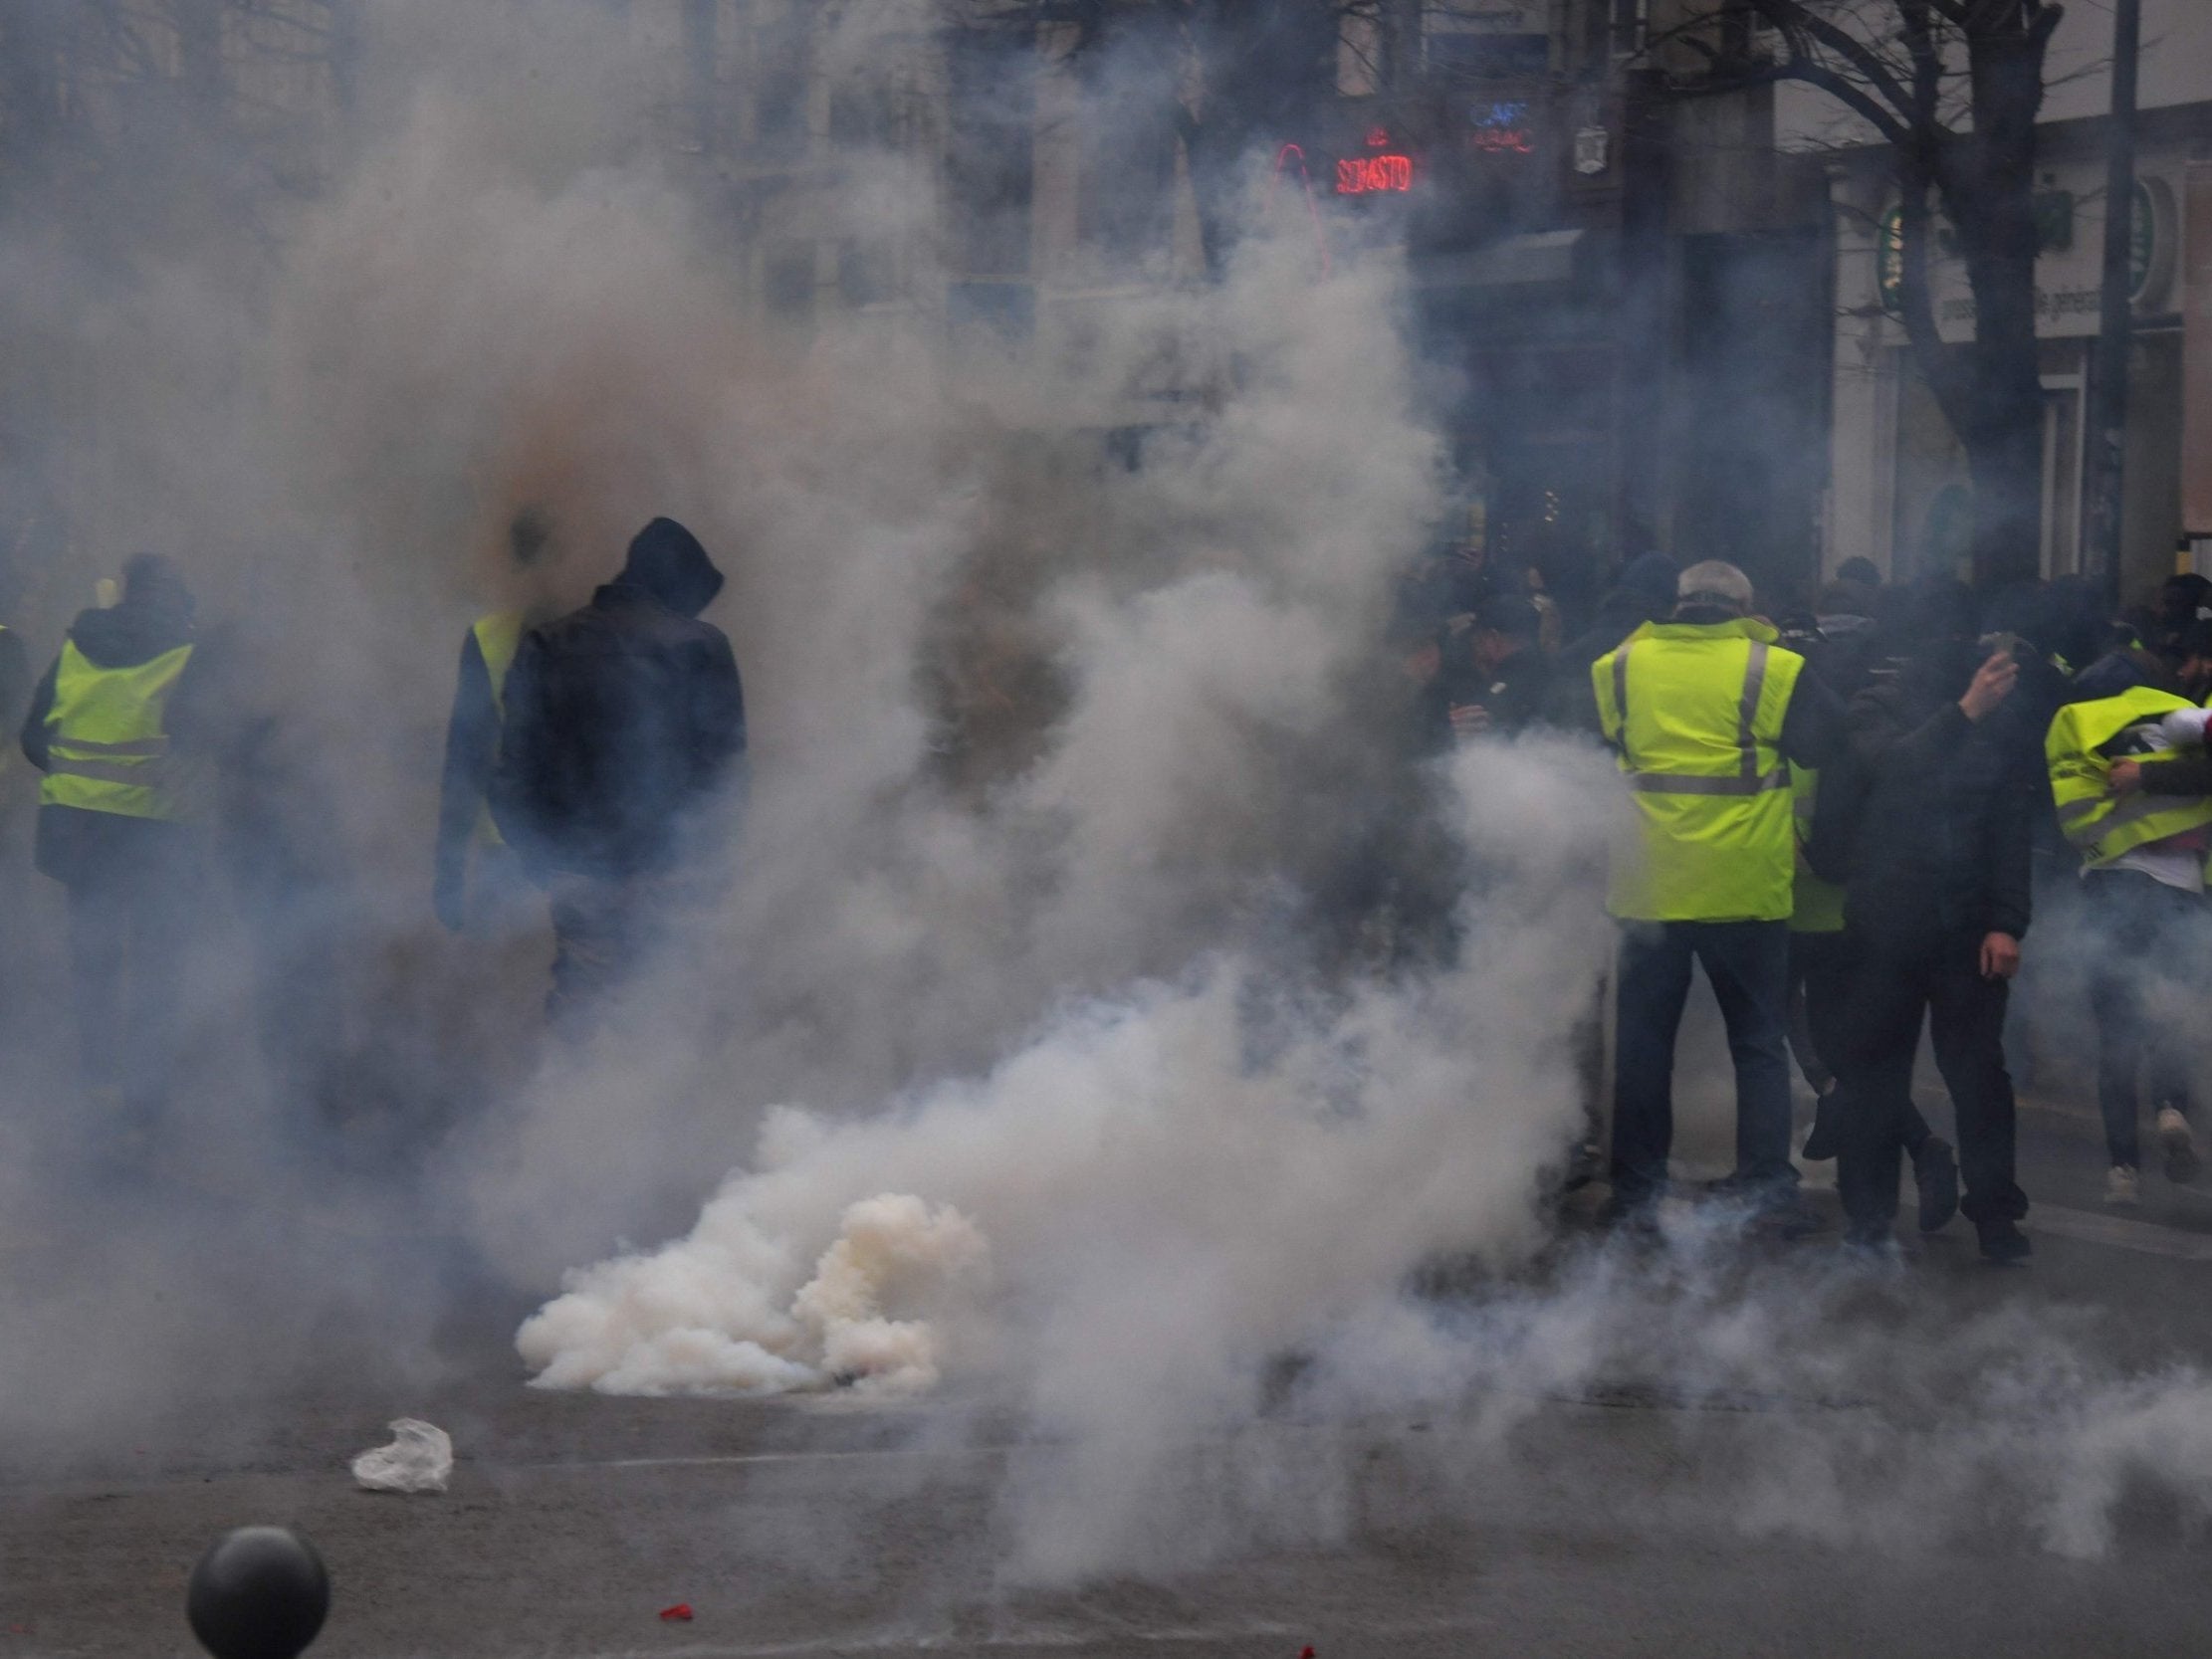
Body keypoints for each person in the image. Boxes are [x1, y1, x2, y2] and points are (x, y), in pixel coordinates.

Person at [1592, 559, 1841, 1233]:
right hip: (1743, 888)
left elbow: (1593, 751)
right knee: (1758, 1044)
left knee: (1645, 1046)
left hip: (1648, 886)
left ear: (1680, 604)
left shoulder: (1618, 664)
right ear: (1744, 607)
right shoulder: (1771, 667)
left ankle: (1636, 1192)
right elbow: (1826, 741)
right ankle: (1767, 1192)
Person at [1823, 587, 2027, 1261]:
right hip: (1885, 928)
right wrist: (1965, 712)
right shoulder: (1874, 709)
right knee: (1874, 1080)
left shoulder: (1996, 719)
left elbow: (2009, 827)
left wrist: (2006, 921)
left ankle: (1996, 1218)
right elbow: (1896, 768)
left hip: (1965, 929)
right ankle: (1869, 1222)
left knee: (1979, 1080)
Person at [490, 517, 747, 1034]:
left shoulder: (548, 643)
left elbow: (515, 770)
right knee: (673, 1011)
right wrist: (713, 865)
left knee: (586, 1010)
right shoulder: (700, 645)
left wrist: (541, 858)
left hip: (580, 869)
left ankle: (573, 1112)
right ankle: (655, 1111)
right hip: (673, 871)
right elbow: (725, 771)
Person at [19, 554, 205, 1135]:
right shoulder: (185, 658)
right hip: (155, 839)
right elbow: (208, 740)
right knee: (155, 971)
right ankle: (144, 1105)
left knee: (94, 965)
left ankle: (96, 1090)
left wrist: (73, 779)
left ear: (125, 594)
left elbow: (31, 737)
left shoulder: (75, 648)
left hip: (79, 837)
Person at [2047, 630, 2212, 1206]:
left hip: (2110, 888)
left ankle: (2123, 1171)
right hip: (2181, 887)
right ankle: (2171, 1108)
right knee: (2168, 1012)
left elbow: (2069, 820)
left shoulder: (2078, 729)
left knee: (2116, 1034)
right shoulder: (2187, 722)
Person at [434, 509, 555, 934]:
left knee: (509, 982)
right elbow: (466, 754)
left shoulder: (490, 637)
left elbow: (465, 757)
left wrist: (447, 872)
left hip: (509, 847)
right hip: (571, 854)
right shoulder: (610, 634)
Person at [1429, 592, 1552, 744]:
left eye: (1479, 639)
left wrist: (1450, 730)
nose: (1475, 647)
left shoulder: (1503, 687)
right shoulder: (1552, 669)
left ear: (1493, 638)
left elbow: (1484, 735)